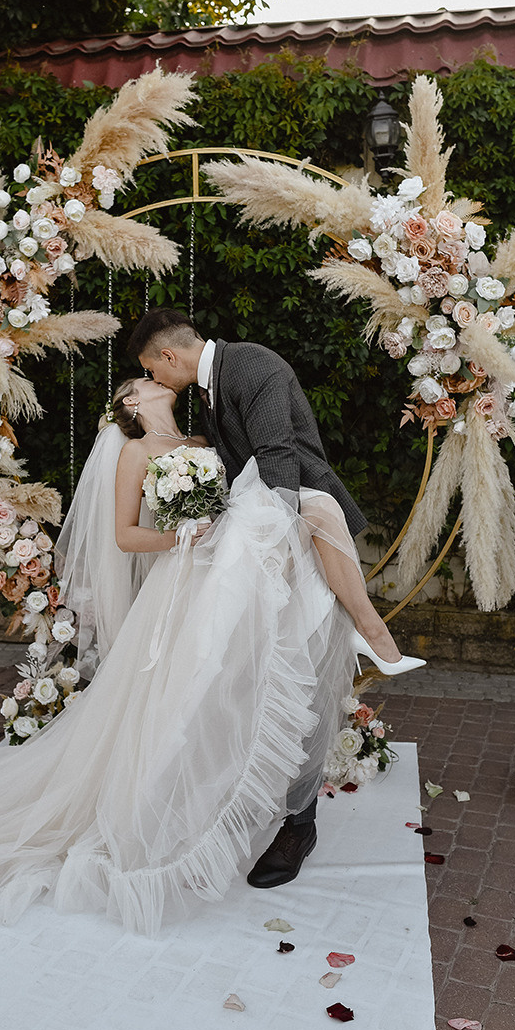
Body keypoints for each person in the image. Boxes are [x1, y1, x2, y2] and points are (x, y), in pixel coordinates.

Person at [0, 379, 356, 936]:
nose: (159, 380)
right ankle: (151, 804)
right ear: (131, 401)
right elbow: (127, 536)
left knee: (218, 686)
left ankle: (226, 790)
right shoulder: (133, 453)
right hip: (176, 580)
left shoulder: (207, 444)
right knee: (167, 694)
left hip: (218, 587)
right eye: (144, 379)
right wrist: (183, 537)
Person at [127, 308, 425, 889]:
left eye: (151, 370)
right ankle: (230, 796)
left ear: (168, 356)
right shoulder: (207, 391)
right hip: (250, 526)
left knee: (298, 671)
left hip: (291, 527)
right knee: (234, 670)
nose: (157, 382)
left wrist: (274, 548)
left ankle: (299, 823)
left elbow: (279, 455)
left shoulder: (253, 365)